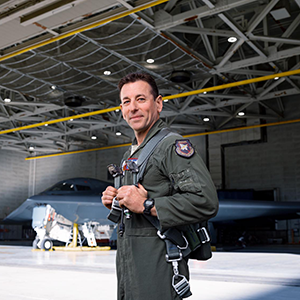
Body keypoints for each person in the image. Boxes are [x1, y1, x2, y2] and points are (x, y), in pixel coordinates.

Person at [102, 72, 219, 300]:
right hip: (130, 266)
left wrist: (146, 205)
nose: (133, 107)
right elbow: (136, 203)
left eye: (141, 99)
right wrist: (116, 202)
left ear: (158, 104)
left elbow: (205, 201)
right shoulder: (132, 154)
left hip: (159, 267)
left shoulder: (171, 146)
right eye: (127, 102)